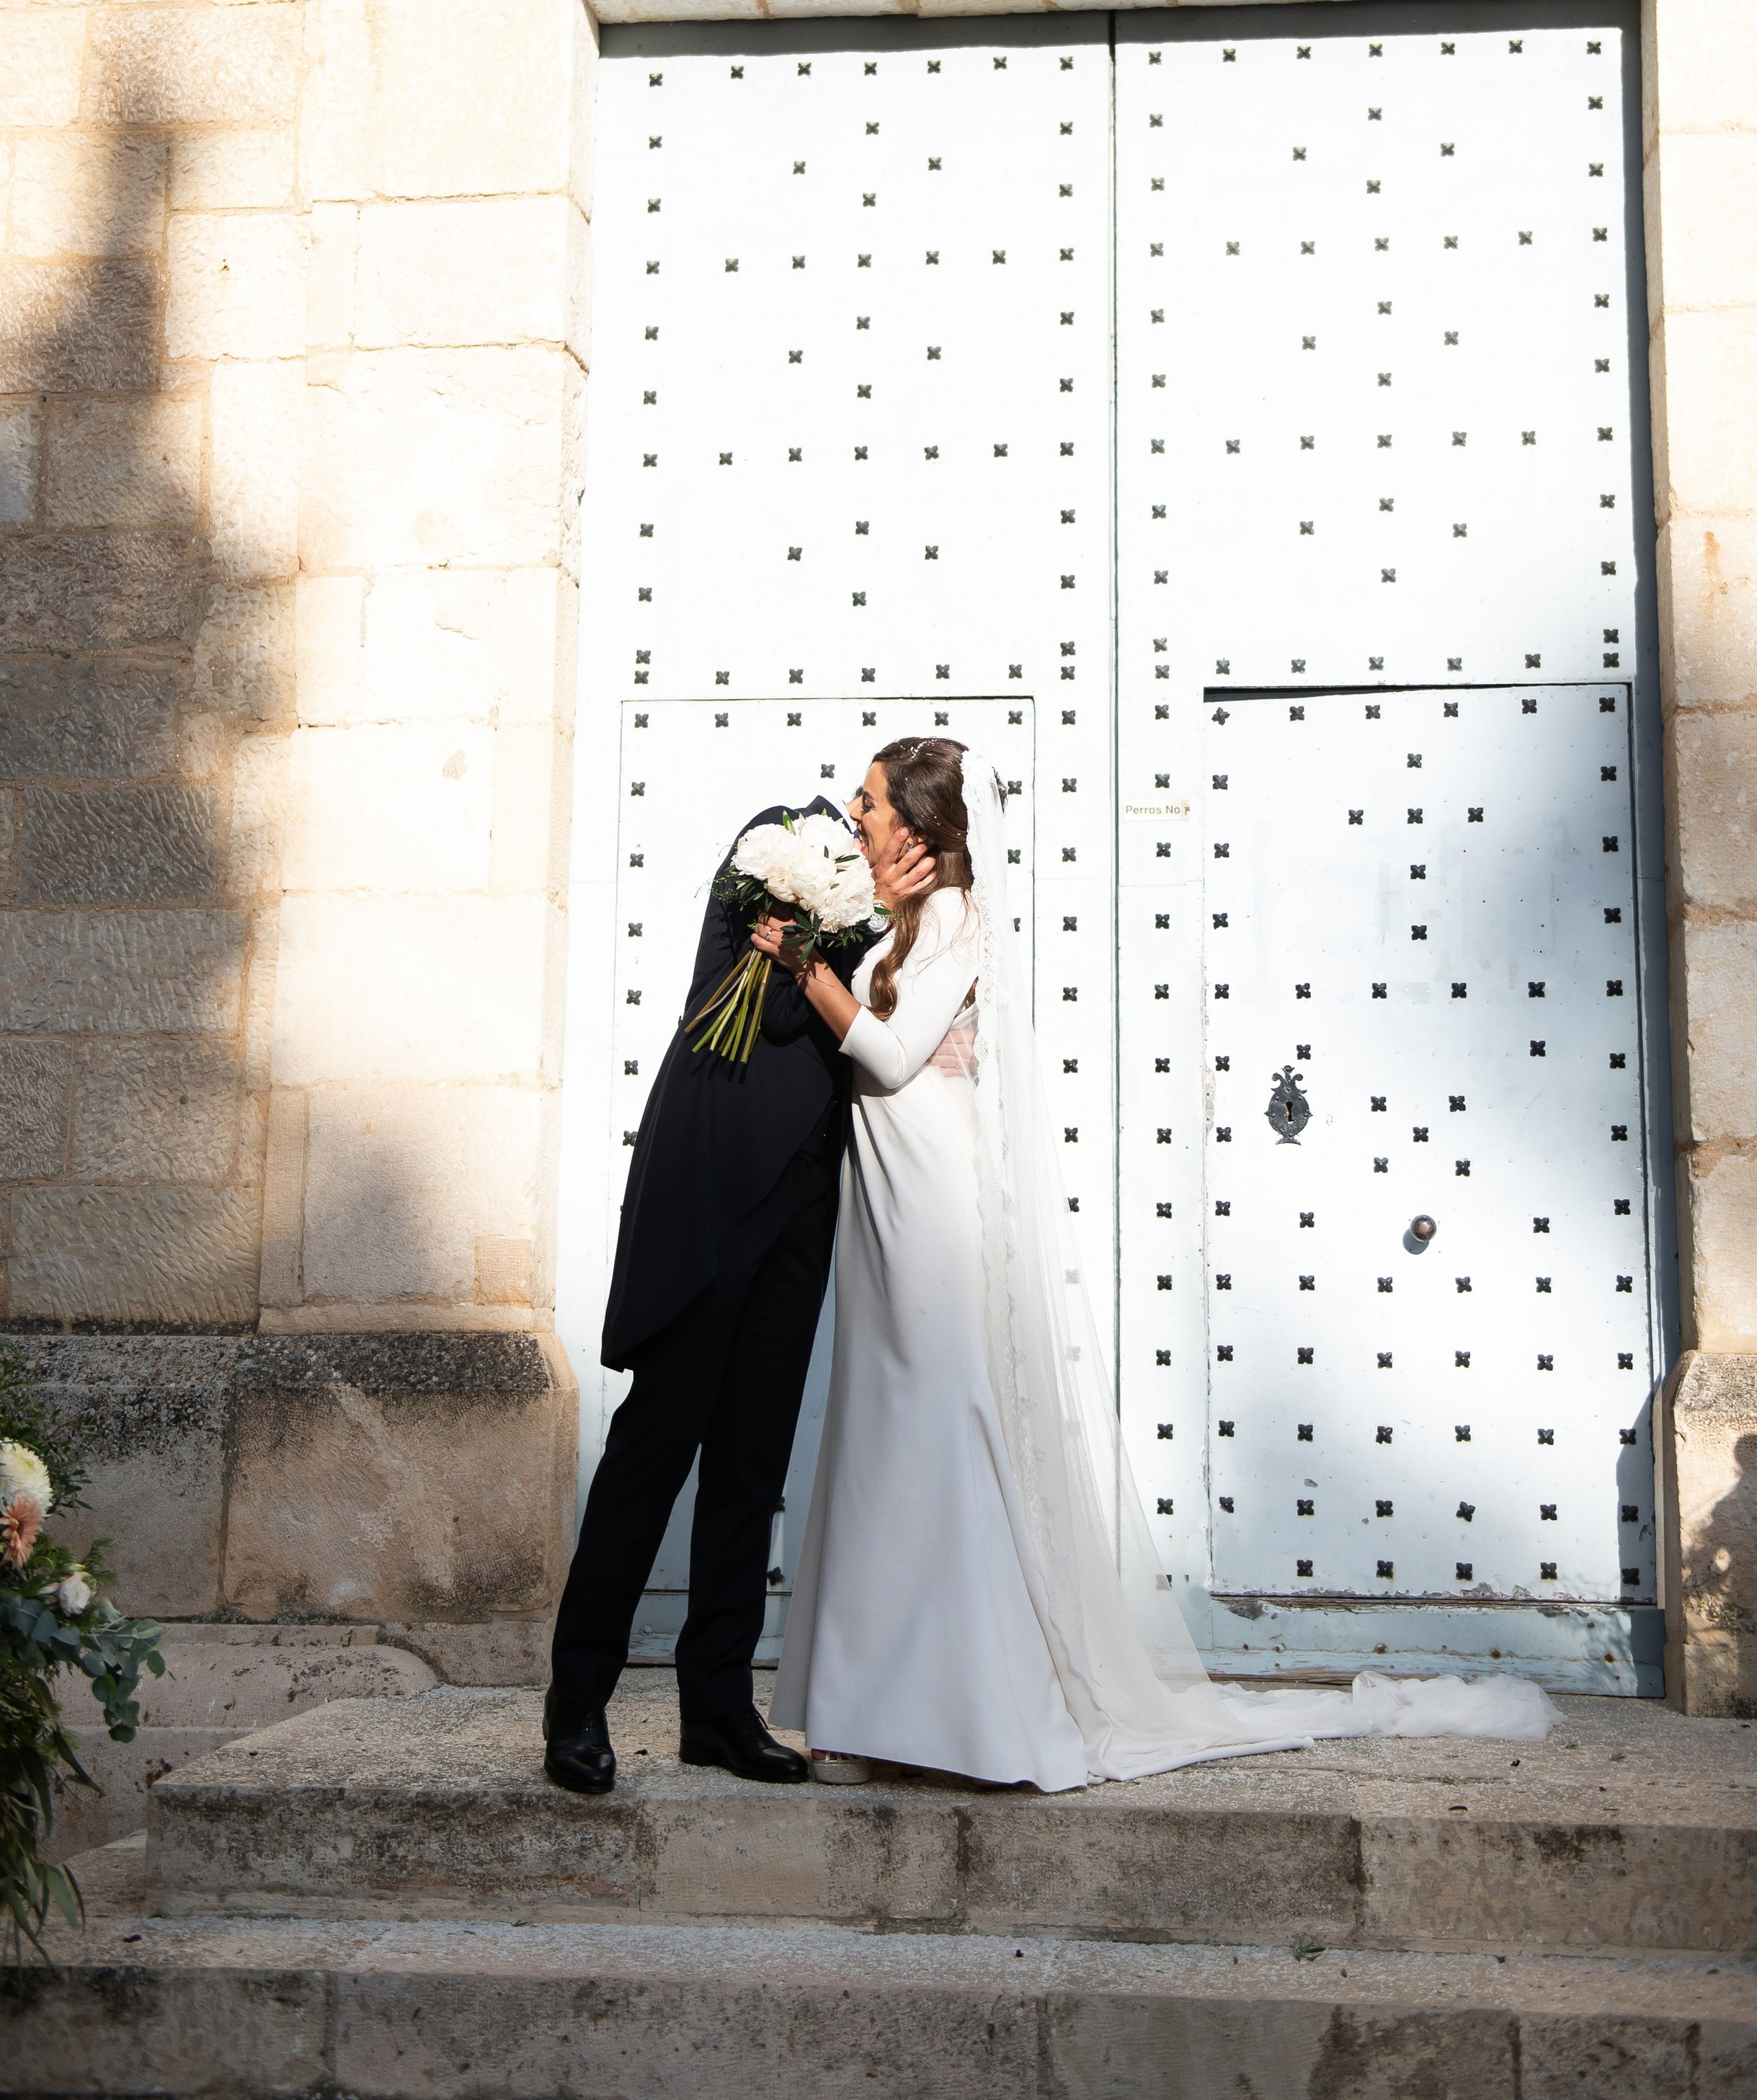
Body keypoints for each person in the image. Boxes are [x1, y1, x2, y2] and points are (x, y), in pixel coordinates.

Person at [762, 738, 1556, 1789]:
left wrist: (807, 969)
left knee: (932, 1433)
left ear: (915, 827)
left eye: (867, 804)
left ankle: (955, 1710)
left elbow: (893, 1055)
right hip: (893, 1196)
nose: (852, 817)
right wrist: (849, 939)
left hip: (934, 1209)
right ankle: (875, 1705)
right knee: (884, 1435)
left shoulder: (961, 918)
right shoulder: (912, 921)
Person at [543, 791, 934, 1795]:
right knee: (655, 1447)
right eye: (886, 815)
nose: (887, 837)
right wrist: (843, 913)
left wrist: (894, 918)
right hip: (717, 1180)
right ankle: (577, 1703)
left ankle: (716, 1709)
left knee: (753, 1464)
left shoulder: (906, 919)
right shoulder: (783, 841)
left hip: (804, 1196)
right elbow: (764, 1002)